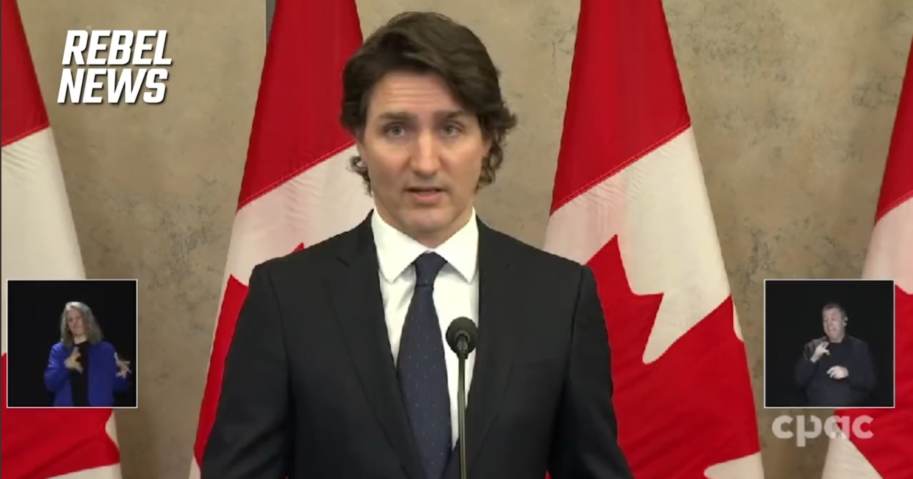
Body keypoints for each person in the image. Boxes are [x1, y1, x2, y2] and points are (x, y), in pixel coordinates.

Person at [203, 12, 631, 478]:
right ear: (360, 141)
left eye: (450, 128)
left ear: (487, 139)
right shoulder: (287, 298)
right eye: (396, 130)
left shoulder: (559, 297)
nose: (425, 163)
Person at [44, 301, 132, 407]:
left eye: (78, 317)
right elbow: (50, 385)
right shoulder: (59, 350)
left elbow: (118, 387)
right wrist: (65, 367)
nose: (74, 323)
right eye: (70, 320)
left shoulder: (106, 349)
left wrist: (123, 373)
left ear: (88, 320)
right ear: (67, 326)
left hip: (97, 414)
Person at [795, 302, 876, 407]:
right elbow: (799, 381)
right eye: (825, 320)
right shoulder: (812, 346)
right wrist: (814, 358)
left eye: (833, 319)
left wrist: (848, 373)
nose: (829, 324)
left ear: (844, 321)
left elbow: (870, 382)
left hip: (850, 414)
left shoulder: (859, 347)